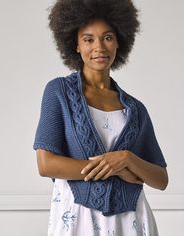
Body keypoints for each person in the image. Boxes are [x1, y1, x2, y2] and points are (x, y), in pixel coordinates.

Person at [33, 0, 168, 235]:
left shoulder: (135, 109)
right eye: (88, 39)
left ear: (119, 42)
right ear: (75, 44)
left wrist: (126, 158)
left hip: (131, 219)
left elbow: (161, 179)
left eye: (107, 37)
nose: (99, 47)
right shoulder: (58, 92)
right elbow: (46, 164)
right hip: (77, 218)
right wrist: (114, 168)